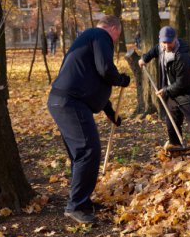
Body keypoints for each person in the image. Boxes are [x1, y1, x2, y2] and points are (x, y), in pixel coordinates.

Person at [47, 15, 130, 224]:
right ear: (113, 28)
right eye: (117, 35)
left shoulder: (88, 37)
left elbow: (91, 80)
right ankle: (75, 205)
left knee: (80, 154)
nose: (116, 40)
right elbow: (105, 69)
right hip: (71, 103)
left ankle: (82, 201)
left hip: (63, 101)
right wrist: (121, 79)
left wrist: (110, 112)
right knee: (88, 150)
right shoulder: (100, 35)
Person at [139, 26, 190, 150]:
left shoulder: (182, 57)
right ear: (160, 40)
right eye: (164, 42)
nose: (167, 45)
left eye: (170, 42)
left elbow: (182, 82)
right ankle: (176, 148)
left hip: (187, 95)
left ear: (175, 39)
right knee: (172, 125)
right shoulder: (160, 47)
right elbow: (154, 51)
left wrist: (165, 90)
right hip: (171, 95)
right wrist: (144, 58)